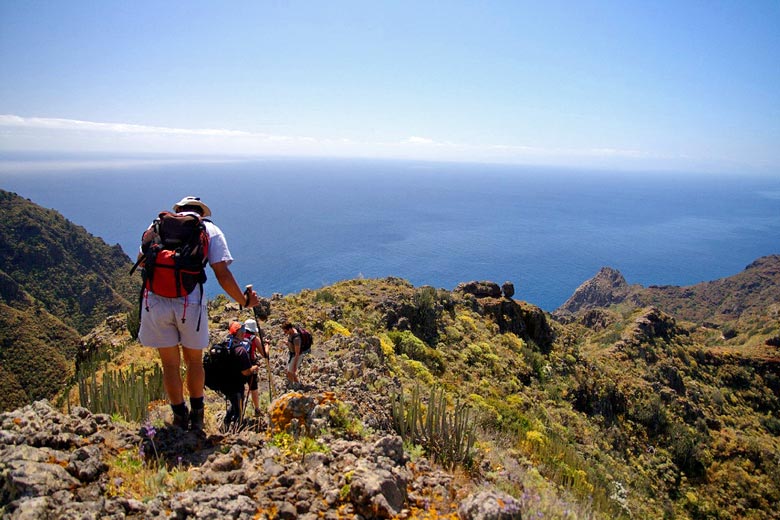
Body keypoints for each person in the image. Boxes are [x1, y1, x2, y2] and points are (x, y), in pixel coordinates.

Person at [137, 196, 259, 431]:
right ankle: (198, 417)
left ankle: (179, 416)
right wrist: (244, 301)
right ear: (200, 212)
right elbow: (222, 274)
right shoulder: (208, 228)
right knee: (194, 362)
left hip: (155, 301)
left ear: (179, 210)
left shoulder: (156, 226)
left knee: (170, 365)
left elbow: (142, 262)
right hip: (189, 303)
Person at [222, 321, 261, 430]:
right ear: (238, 332)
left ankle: (225, 427)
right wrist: (254, 368)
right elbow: (246, 372)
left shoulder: (226, 344)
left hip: (225, 380)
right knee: (238, 408)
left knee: (234, 404)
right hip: (236, 383)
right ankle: (234, 431)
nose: (244, 333)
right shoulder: (241, 350)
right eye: (243, 331)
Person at [243, 318, 270, 415]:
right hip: (251, 366)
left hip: (238, 365)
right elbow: (265, 354)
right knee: (253, 388)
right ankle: (257, 409)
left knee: (239, 388)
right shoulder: (254, 339)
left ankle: (238, 410)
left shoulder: (239, 336)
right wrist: (267, 345)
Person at [282, 322, 309, 389]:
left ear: (290, 329)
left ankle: (292, 387)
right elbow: (292, 344)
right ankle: (298, 384)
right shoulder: (291, 333)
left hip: (297, 356)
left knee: (290, 372)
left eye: (286, 331)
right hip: (292, 354)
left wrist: (294, 365)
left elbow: (297, 353)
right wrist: (287, 343)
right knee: (290, 371)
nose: (285, 333)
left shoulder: (297, 339)